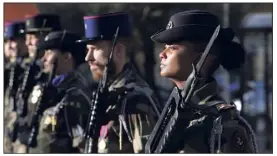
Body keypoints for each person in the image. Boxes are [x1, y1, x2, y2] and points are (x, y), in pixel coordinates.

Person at [146, 10, 257, 153]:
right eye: (165, 47)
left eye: (173, 48)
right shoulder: (171, 112)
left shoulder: (223, 123)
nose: (162, 54)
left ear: (201, 60)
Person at [80, 12, 161, 153]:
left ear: (117, 50)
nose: (88, 57)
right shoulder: (108, 94)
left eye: (95, 49)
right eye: (87, 50)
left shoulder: (134, 99)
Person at [28, 30, 96, 153]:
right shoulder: (50, 89)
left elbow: (82, 145)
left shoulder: (75, 94)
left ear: (66, 57)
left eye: (49, 53)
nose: (44, 59)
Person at [13, 14, 62, 153]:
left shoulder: (62, 80)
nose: (27, 42)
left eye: (32, 37)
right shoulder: (33, 74)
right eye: (27, 37)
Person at [4, 20, 27, 153]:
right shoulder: (8, 69)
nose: (9, 46)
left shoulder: (29, 71)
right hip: (8, 134)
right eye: (6, 42)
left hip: (21, 137)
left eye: (13, 40)